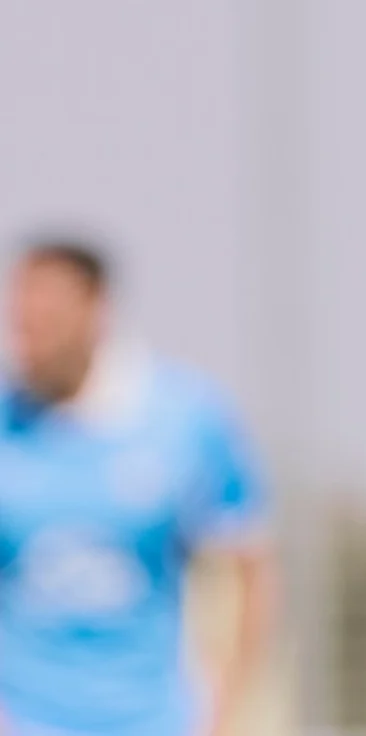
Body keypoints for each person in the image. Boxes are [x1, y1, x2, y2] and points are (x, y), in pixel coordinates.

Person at [0, 241, 275, 736]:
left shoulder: (187, 419)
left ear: (96, 310)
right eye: (23, 323)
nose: (29, 339)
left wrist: (226, 713)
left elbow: (249, 568)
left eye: (48, 319)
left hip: (156, 721)